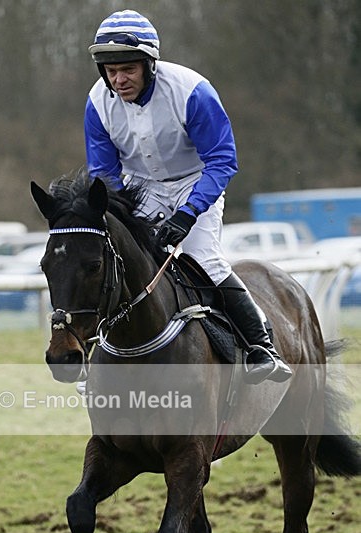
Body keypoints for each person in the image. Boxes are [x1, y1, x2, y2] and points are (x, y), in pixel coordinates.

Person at [85, 9, 292, 383]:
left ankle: (261, 347)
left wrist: (188, 213)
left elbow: (222, 161)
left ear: (150, 64)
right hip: (139, 188)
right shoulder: (97, 102)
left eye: (128, 69)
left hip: (195, 183)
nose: (118, 80)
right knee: (123, 263)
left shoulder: (192, 91)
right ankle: (94, 355)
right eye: (111, 71)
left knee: (203, 259)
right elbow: (104, 173)